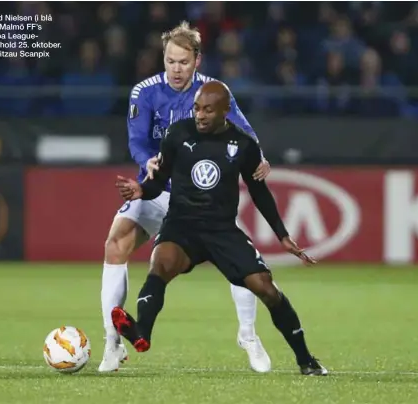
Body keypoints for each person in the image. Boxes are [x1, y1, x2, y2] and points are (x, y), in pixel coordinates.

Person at [112, 81, 329, 376]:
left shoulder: (243, 144)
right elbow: (159, 180)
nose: (200, 115)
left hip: (222, 230)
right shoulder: (178, 135)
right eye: (197, 108)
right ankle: (141, 334)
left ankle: (305, 359)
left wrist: (283, 235)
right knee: (160, 266)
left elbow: (259, 191)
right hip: (182, 226)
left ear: (225, 111)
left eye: (208, 110)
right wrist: (141, 190)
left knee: (267, 288)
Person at [99, 21, 272, 373]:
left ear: (197, 60)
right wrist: (145, 160)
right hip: (156, 187)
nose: (175, 69)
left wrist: (260, 156)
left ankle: (248, 336)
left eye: (182, 62)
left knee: (242, 264)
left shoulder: (213, 92)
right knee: (115, 242)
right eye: (169, 61)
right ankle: (112, 344)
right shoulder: (144, 92)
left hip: (200, 198)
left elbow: (244, 129)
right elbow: (137, 139)